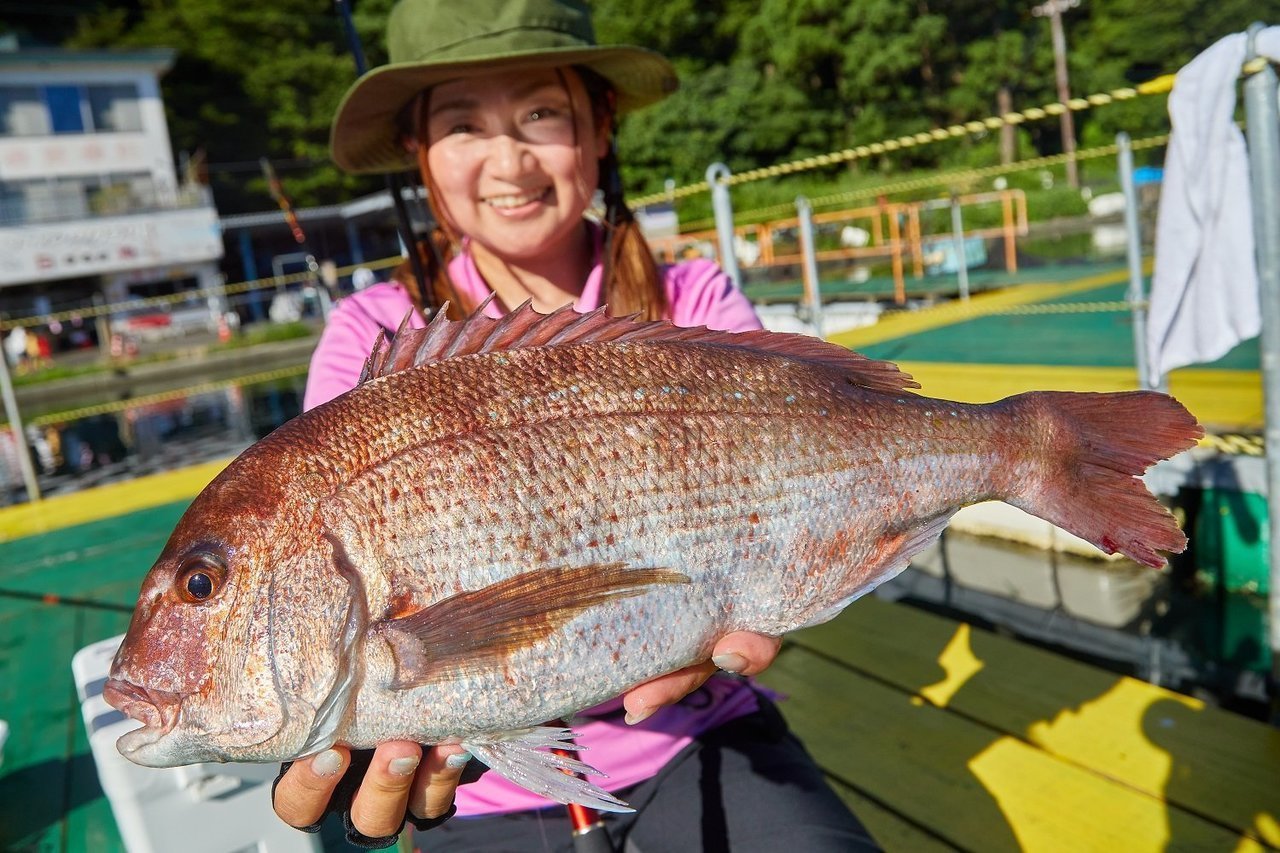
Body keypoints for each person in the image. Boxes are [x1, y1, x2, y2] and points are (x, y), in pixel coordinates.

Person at [273, 1, 878, 850]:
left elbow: (804, 486)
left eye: (541, 114)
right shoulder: (367, 340)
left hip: (701, 731)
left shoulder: (692, 304)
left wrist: (772, 603)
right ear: (421, 155)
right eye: (462, 125)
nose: (509, 159)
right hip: (478, 786)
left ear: (599, 130)